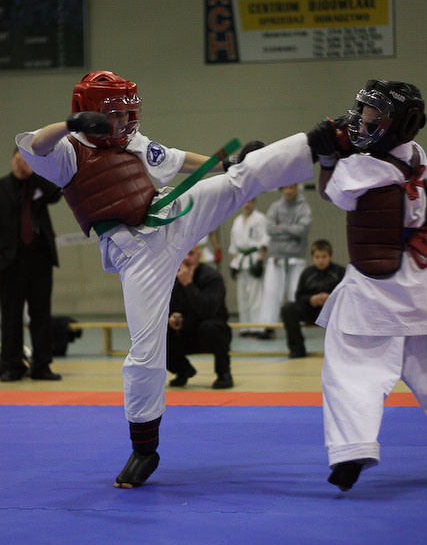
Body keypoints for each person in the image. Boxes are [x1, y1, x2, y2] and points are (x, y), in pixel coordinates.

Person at [16, 69, 343, 488]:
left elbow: (174, 158)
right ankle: (144, 449)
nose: (124, 121)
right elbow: (34, 145)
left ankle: (321, 141)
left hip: (170, 213)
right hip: (137, 255)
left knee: (237, 179)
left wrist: (225, 162)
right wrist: (70, 125)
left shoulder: (132, 141)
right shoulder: (66, 152)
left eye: (127, 112)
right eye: (114, 114)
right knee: (145, 351)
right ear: (89, 112)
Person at [316, 79, 427, 492]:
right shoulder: (418, 156)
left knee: (351, 369)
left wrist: (328, 155)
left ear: (398, 124)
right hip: (420, 288)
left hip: (374, 296)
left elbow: (331, 192)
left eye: (372, 117)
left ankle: (352, 449)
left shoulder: (362, 170)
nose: (362, 123)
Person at [0, 148, 62, 382]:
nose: (21, 164)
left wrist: (36, 172)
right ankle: (11, 365)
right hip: (10, 263)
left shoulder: (39, 185)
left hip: (40, 261)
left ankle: (42, 365)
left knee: (41, 315)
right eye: (18, 159)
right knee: (11, 316)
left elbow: (56, 194)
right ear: (12, 160)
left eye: (26, 161)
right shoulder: (2, 187)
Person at [167, 245, 232, 389]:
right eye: (183, 254)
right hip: (184, 331)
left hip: (209, 332)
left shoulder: (212, 277)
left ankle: (224, 373)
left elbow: (208, 310)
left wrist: (188, 285)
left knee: (211, 327)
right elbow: (166, 306)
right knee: (159, 332)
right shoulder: (172, 277)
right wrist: (172, 316)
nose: (186, 258)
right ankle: (182, 370)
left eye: (190, 254)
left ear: (199, 255)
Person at [258, 184, 312, 339]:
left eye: (292, 188)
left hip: (297, 256)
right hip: (276, 256)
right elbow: (269, 229)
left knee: (296, 292)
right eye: (286, 188)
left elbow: (302, 230)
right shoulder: (275, 207)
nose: (289, 191)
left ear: (296, 188)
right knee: (271, 292)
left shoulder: (304, 208)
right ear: (282, 189)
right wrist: (291, 230)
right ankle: (268, 328)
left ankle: (298, 327)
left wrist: (281, 227)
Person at [280, 239, 346, 358]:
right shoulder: (307, 273)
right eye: (317, 257)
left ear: (330, 256)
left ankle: (343, 350)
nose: (320, 260)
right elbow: (299, 296)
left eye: (324, 257)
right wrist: (310, 300)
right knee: (288, 309)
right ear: (313, 257)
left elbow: (347, 295)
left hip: (333, 312)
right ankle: (297, 350)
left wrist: (330, 299)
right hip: (312, 311)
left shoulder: (340, 272)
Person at [229, 198, 268, 336]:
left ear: (254, 202)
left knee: (256, 296)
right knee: (242, 296)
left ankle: (257, 328)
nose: (247, 204)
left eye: (250, 201)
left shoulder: (260, 218)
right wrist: (234, 265)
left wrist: (260, 261)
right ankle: (245, 327)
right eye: (245, 201)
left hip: (254, 259)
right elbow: (233, 245)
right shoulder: (237, 221)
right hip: (241, 261)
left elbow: (264, 241)